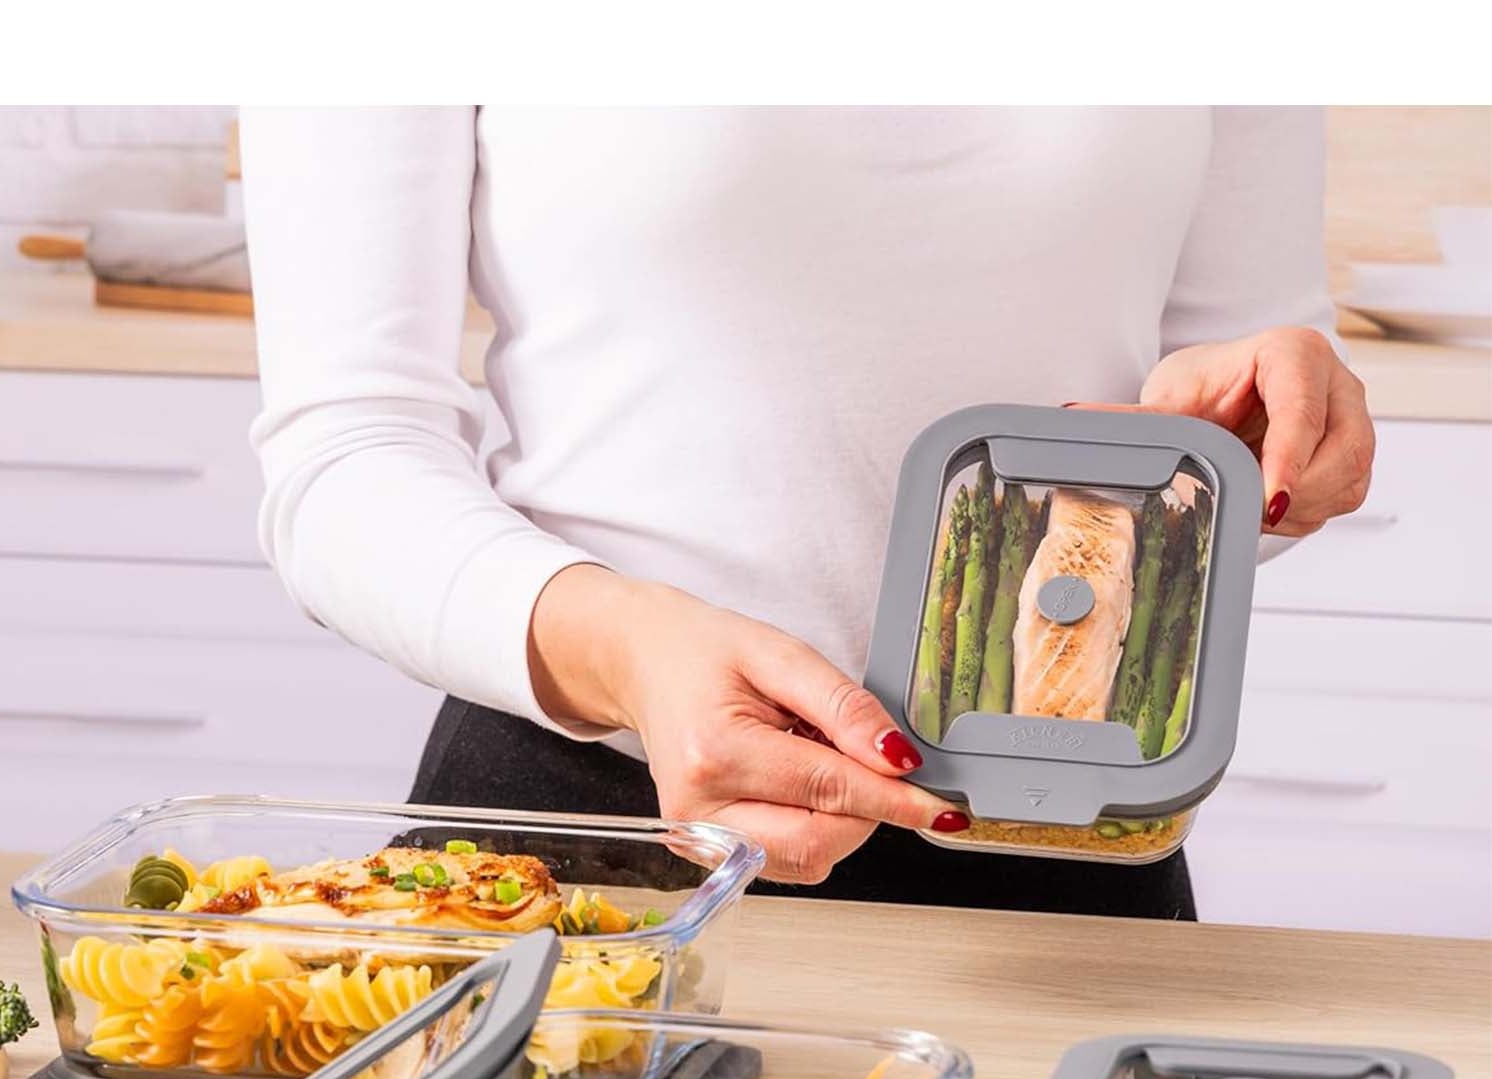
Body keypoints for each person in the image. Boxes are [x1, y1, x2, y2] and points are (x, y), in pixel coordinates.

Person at [241, 107, 1374, 919]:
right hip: (594, 835)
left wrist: (1265, 451)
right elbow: (344, 457)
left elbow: (1237, 397)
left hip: (1073, 826)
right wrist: (631, 655)